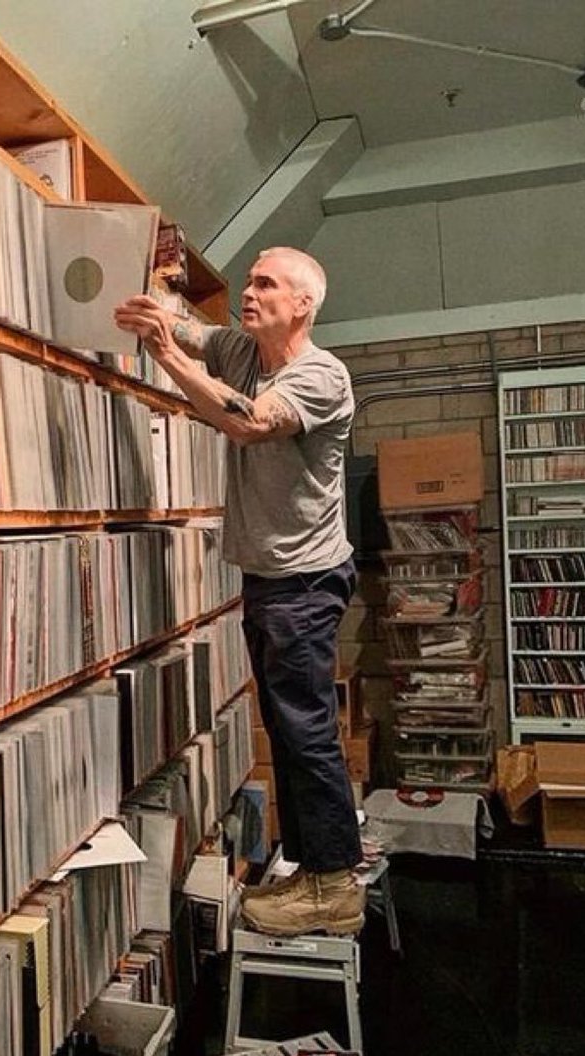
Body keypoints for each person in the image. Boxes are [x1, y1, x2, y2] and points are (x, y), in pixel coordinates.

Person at [114, 247, 363, 937]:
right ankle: (316, 869)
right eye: (248, 281)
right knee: (290, 727)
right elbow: (186, 328)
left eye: (265, 284)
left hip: (304, 582)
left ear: (303, 304)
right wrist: (136, 287)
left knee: (306, 731)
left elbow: (250, 420)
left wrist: (168, 357)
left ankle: (334, 885)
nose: (247, 293)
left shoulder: (321, 375)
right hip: (272, 579)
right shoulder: (241, 347)